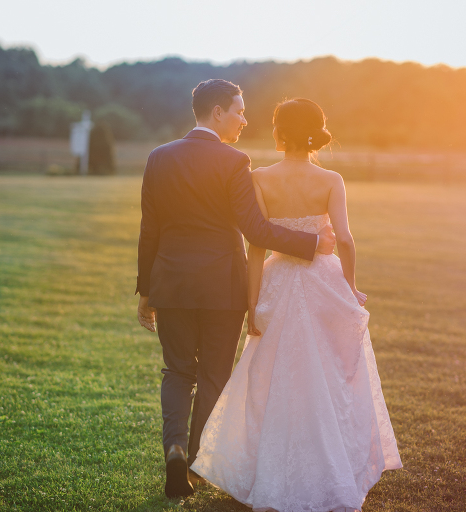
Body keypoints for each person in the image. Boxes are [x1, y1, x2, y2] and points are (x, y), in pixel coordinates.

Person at [190, 98, 402, 512]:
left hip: (278, 282)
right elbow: (344, 239)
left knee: (273, 380)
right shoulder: (331, 179)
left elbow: (256, 246)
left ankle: (270, 471)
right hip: (324, 283)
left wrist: (253, 303)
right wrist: (352, 286)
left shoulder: (259, 178)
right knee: (328, 377)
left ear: (278, 134)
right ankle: (331, 465)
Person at [135, 80, 337, 499]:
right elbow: (256, 230)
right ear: (217, 113)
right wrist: (312, 242)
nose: (245, 119)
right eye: (240, 112)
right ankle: (194, 464)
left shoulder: (158, 158)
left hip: (170, 283)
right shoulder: (234, 162)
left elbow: (148, 231)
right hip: (222, 287)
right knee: (213, 376)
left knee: (176, 371)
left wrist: (145, 291)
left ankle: (173, 449)